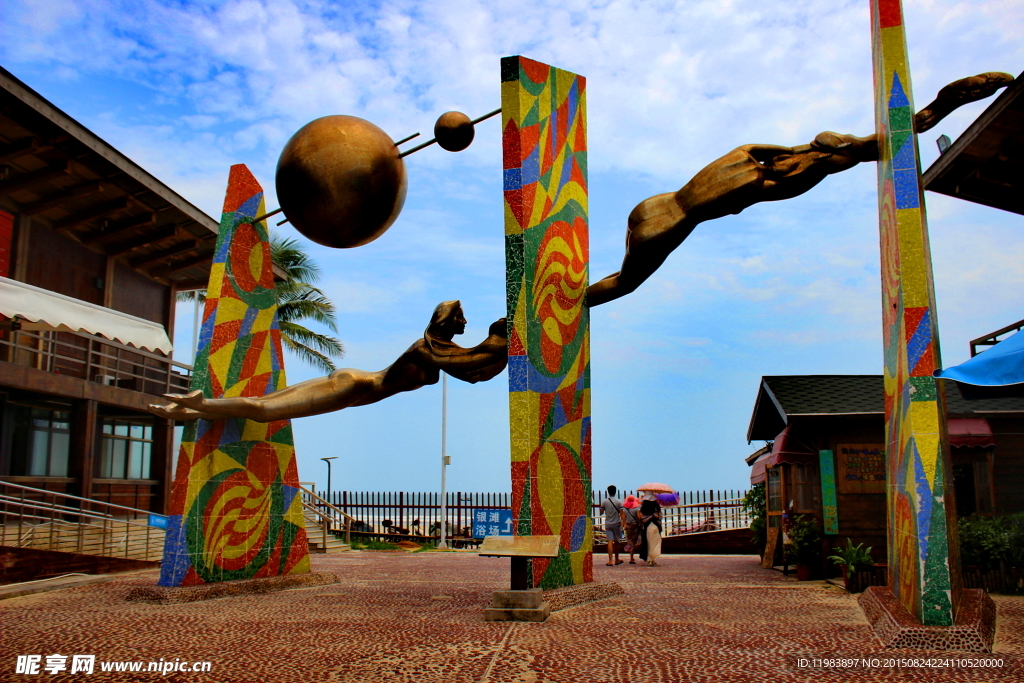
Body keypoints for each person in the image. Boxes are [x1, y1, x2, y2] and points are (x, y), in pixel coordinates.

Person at [586, 72, 1012, 308]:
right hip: (666, 229)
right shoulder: (770, 182)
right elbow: (895, 135)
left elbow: (786, 151)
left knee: (620, 275)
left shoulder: (747, 153)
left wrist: (795, 152)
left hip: (653, 204)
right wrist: (946, 103)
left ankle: (549, 312)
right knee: (624, 284)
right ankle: (548, 319)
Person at [149, 301, 507, 422]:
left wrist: (505, 348)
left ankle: (192, 412)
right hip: (355, 385)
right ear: (447, 320)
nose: (465, 322)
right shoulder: (426, 349)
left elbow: (477, 375)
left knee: (265, 404)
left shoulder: (442, 353)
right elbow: (470, 363)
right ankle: (202, 403)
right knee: (265, 410)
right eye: (460, 317)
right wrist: (500, 338)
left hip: (355, 387)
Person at [600, 485, 624, 566]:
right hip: (616, 523)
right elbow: (621, 513)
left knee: (610, 541)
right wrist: (624, 522)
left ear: (608, 492)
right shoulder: (619, 502)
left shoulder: (604, 502)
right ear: (615, 491)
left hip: (608, 523)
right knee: (617, 542)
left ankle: (610, 561)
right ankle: (617, 559)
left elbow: (601, 512)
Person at [637, 492, 663, 567]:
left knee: (647, 543)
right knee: (654, 542)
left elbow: (641, 517)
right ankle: (652, 558)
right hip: (656, 526)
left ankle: (649, 559)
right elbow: (660, 516)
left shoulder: (643, 507)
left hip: (647, 526)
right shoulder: (656, 507)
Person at [621, 495, 641, 564]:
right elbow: (639, 518)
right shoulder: (636, 509)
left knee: (629, 541)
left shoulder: (624, 509)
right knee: (634, 541)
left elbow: (623, 519)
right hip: (634, 526)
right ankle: (631, 558)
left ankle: (631, 556)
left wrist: (624, 525)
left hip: (628, 526)